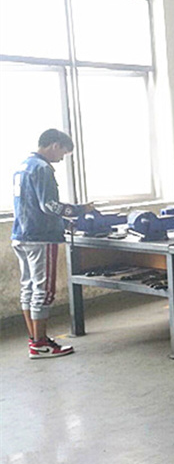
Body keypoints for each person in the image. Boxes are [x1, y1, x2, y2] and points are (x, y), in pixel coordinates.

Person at [12, 129, 92, 358]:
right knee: (43, 291)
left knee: (28, 289)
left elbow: (32, 207)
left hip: (21, 235)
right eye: (63, 153)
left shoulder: (22, 167)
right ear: (55, 145)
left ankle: (35, 339)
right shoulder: (42, 168)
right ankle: (40, 345)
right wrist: (79, 210)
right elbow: (49, 206)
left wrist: (64, 224)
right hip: (41, 238)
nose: (62, 159)